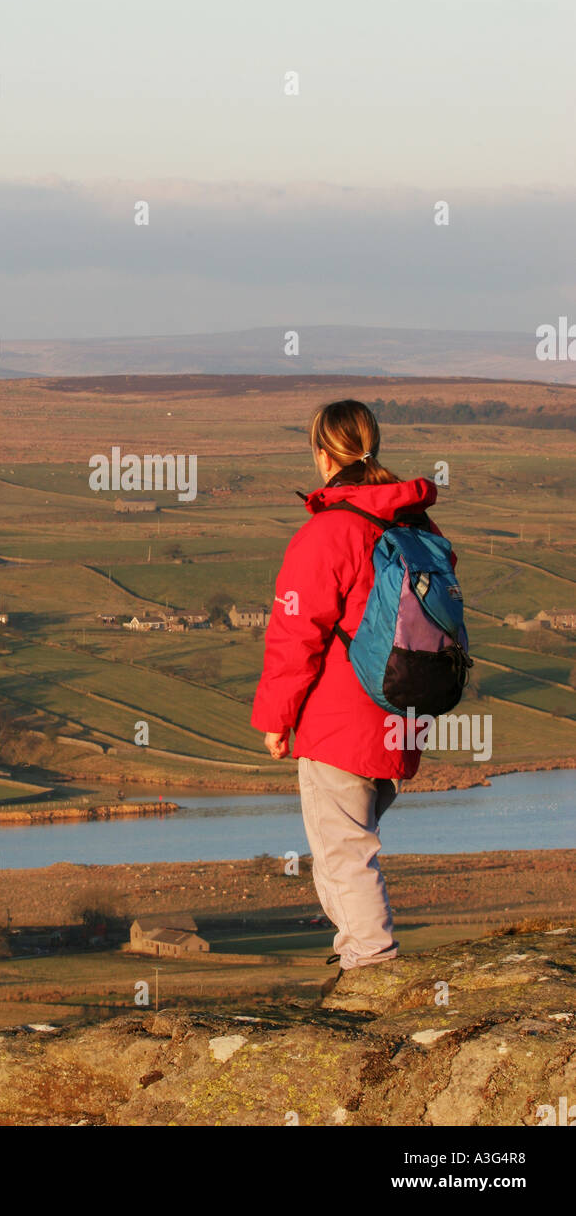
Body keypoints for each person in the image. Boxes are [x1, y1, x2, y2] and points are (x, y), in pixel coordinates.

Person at [251, 399, 455, 990]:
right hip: (402, 714)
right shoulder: (414, 523)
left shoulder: (329, 531)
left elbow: (296, 634)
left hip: (340, 722)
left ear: (322, 453)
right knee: (356, 843)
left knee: (343, 851)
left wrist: (276, 718)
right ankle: (359, 958)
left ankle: (369, 966)